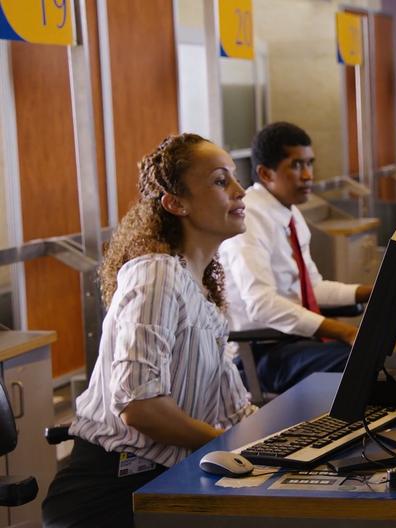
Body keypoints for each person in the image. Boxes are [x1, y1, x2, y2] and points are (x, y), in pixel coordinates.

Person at [42, 134, 255, 527]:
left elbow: (231, 405)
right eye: (221, 181)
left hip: (161, 481)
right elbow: (140, 407)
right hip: (110, 494)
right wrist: (224, 443)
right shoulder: (156, 274)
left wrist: (284, 437)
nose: (240, 191)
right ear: (176, 203)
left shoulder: (201, 291)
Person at [218, 122, 372, 394]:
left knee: (380, 350)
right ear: (266, 173)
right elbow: (261, 305)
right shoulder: (250, 217)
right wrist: (344, 331)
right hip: (259, 353)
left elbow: (310, 288)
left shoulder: (289, 214)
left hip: (293, 342)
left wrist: (368, 292)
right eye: (297, 165)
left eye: (310, 164)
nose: (308, 175)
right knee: (369, 360)